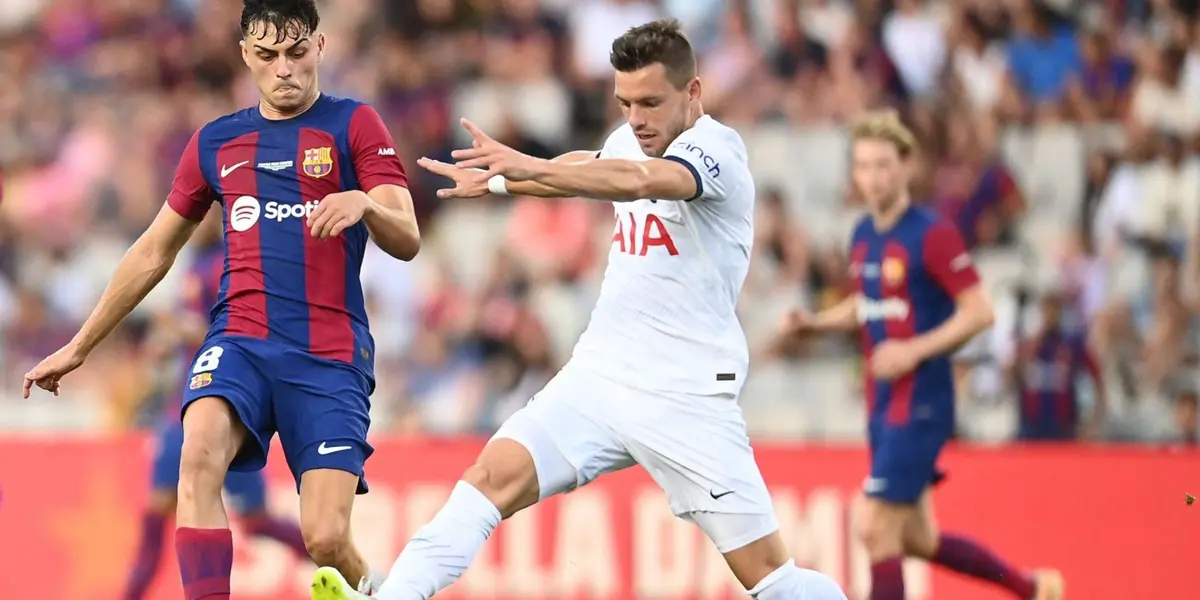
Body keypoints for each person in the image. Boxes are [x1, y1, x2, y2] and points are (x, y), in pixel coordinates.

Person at [311, 18, 846, 600]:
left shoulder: (717, 152)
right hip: (600, 377)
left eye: (650, 102)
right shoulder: (628, 140)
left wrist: (526, 166)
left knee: (771, 579)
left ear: (693, 92)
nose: (636, 118)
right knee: (488, 479)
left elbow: (639, 181)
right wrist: (499, 183)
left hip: (684, 397)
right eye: (624, 103)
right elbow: (587, 166)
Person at [22, 1, 420, 598]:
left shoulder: (354, 124)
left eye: (295, 52)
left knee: (326, 539)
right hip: (240, 341)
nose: (283, 68)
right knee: (198, 454)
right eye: (267, 56)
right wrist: (80, 345)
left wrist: (365, 204)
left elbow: (408, 237)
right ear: (245, 56)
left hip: (328, 354)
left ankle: (388, 592)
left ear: (320, 46)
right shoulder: (217, 142)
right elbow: (154, 250)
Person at [775, 110, 1063, 600]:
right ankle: (1033, 588)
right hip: (883, 404)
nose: (873, 177)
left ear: (907, 167)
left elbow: (979, 312)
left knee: (873, 527)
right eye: (864, 166)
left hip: (922, 402)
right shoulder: (864, 234)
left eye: (884, 165)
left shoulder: (933, 234)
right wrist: (817, 323)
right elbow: (867, 303)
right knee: (917, 538)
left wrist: (913, 350)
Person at [122, 210, 310, 600]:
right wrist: (166, 341)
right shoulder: (195, 261)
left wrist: (177, 329)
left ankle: (336, 561)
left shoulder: (229, 262)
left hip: (226, 402)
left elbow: (236, 324)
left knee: (256, 520)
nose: (197, 219)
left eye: (207, 211)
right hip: (185, 404)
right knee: (158, 507)